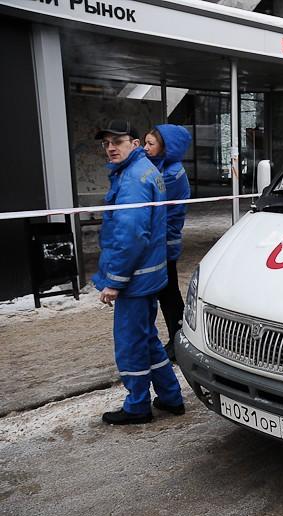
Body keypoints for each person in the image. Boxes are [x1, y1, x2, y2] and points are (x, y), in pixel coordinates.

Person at [93, 119, 185, 425]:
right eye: (106, 143)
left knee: (131, 343)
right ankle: (171, 397)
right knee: (147, 338)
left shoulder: (133, 179)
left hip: (134, 279)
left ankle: (137, 406)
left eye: (117, 142)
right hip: (149, 276)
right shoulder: (146, 169)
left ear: (133, 143)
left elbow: (131, 235)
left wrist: (114, 281)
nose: (110, 148)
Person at [144, 125, 192, 361]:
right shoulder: (164, 167)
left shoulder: (171, 174)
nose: (145, 148)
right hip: (162, 240)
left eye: (150, 144)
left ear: (167, 147)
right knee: (167, 292)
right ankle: (178, 336)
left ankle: (179, 338)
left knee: (169, 294)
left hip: (165, 242)